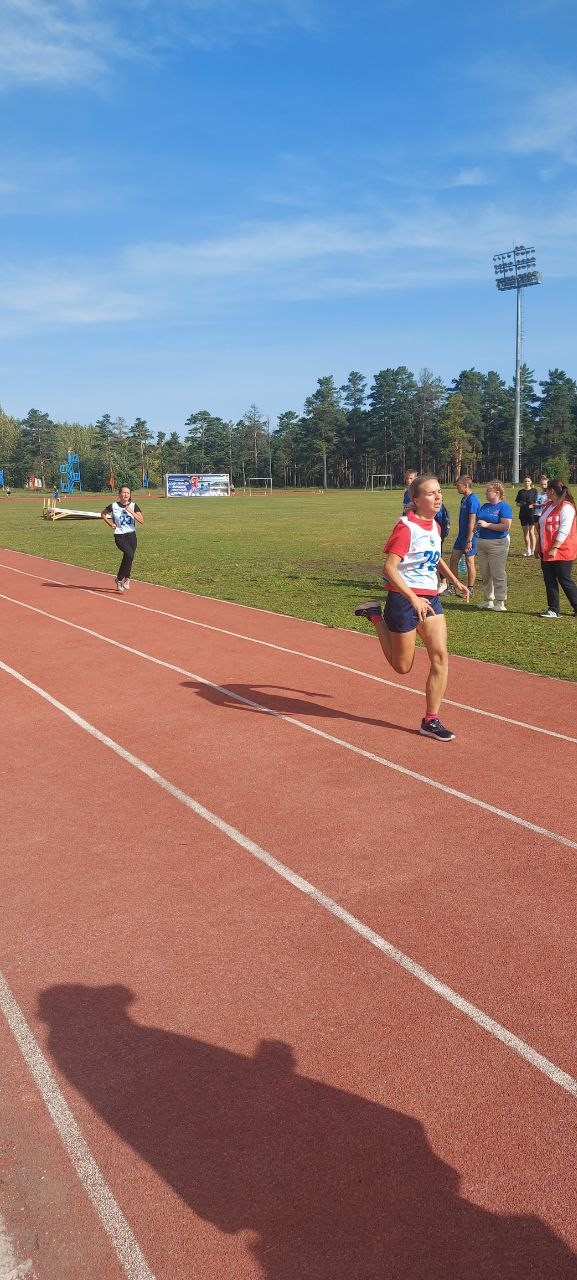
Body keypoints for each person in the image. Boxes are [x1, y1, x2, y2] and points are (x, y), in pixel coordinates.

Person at [354, 474, 469, 742]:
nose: (438, 497)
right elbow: (389, 568)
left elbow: (435, 557)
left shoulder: (435, 526)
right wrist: (413, 598)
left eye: (439, 492)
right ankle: (375, 616)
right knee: (402, 666)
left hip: (431, 599)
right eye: (430, 493)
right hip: (404, 600)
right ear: (415, 500)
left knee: (440, 656)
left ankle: (431, 720)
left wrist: (455, 581)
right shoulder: (406, 527)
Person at [535, 479, 577, 619]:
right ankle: (553, 609)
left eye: (546, 490)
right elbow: (541, 528)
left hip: (562, 550)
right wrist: (538, 546)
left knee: (565, 579)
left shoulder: (567, 507)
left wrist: (555, 547)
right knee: (549, 579)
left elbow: (564, 530)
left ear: (552, 491)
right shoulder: (548, 505)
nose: (545, 492)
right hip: (546, 549)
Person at [475, 482, 513, 612]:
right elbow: (478, 520)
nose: (486, 493)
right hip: (482, 543)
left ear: (497, 493)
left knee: (498, 572)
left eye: (488, 491)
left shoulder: (504, 507)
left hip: (498, 544)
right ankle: (488, 600)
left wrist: (487, 525)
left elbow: (506, 526)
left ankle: (500, 601)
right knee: (485, 573)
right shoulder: (485, 506)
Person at [101, 484, 144, 593]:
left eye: (128, 493)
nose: (126, 494)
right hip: (119, 535)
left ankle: (120, 579)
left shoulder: (134, 505)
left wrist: (131, 511)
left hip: (131, 535)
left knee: (129, 557)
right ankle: (126, 578)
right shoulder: (114, 506)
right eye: (124, 492)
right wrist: (110, 524)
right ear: (119, 494)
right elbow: (103, 514)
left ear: (130, 495)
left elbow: (141, 520)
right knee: (129, 554)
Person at [448, 475, 481, 593]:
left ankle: (470, 589)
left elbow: (472, 521)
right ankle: (452, 586)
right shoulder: (464, 499)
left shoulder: (473, 500)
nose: (457, 488)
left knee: (469, 561)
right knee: (453, 560)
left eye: (458, 486)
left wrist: (469, 540)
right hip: (461, 536)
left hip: (471, 537)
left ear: (466, 486)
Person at [515, 475, 537, 555]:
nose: (527, 482)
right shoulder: (520, 492)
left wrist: (533, 505)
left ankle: (533, 550)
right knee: (525, 533)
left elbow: (537, 502)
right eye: (525, 481)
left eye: (528, 481)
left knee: (531, 532)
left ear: (531, 482)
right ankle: (528, 549)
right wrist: (520, 504)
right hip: (523, 514)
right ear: (523, 482)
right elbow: (517, 503)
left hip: (531, 513)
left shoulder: (534, 491)